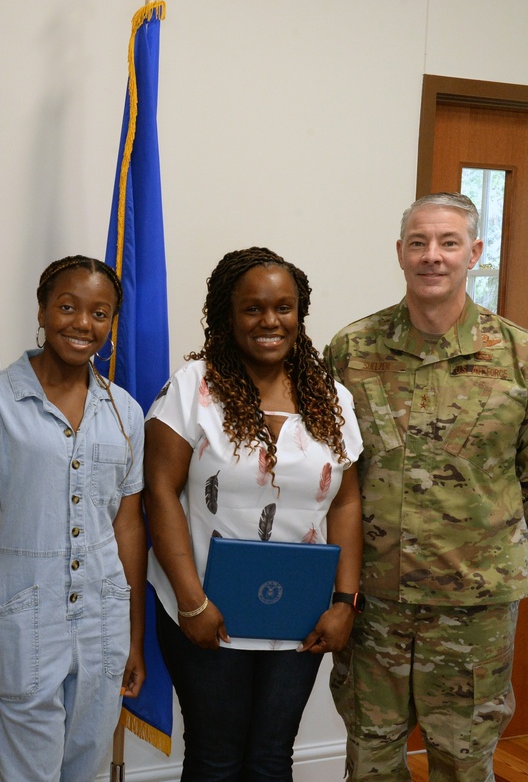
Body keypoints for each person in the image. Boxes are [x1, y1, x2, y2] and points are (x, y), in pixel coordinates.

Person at [326, 192, 528, 782]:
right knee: (370, 759)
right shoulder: (351, 350)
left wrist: (480, 546)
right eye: (419, 243)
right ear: (400, 253)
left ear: (474, 253)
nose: (433, 256)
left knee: (463, 760)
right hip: (372, 599)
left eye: (449, 243)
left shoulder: (526, 358)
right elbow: (330, 471)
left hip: (472, 604)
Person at [145, 247, 364, 781]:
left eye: (284, 308)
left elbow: (347, 500)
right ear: (227, 314)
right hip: (203, 611)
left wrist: (344, 602)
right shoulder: (192, 389)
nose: (271, 321)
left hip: (299, 616)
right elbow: (159, 492)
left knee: (271, 758)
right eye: (253, 308)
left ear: (300, 314)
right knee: (215, 759)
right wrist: (192, 603)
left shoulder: (331, 398)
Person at [0, 255, 146, 782]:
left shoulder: (125, 412)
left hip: (105, 623)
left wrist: (133, 635)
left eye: (100, 313)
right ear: (41, 312)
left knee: (85, 768)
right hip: (22, 620)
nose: (83, 324)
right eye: (67, 307)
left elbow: (127, 525)